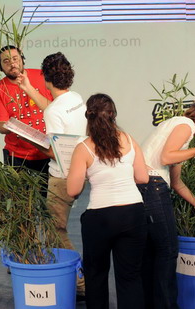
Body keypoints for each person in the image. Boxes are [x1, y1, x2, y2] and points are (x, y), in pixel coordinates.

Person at [67, 93, 149, 309]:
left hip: (100, 218)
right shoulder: (129, 139)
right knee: (130, 277)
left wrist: (86, 174)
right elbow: (142, 177)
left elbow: (73, 189)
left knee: (96, 277)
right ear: (113, 115)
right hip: (133, 213)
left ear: (89, 116)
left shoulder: (83, 147)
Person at [138, 96, 195, 308]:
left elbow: (176, 182)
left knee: (151, 252)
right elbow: (166, 158)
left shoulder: (175, 125)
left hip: (145, 187)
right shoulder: (186, 125)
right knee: (167, 251)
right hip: (153, 187)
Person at [39, 51, 87, 297]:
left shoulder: (52, 112)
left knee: (54, 231)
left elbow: (54, 151)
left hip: (60, 176)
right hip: (79, 171)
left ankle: (80, 282)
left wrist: (36, 143)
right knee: (57, 229)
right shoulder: (76, 98)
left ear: (46, 79)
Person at [0, 45, 53, 174]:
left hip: (49, 151)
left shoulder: (42, 76)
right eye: (6, 61)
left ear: (22, 60)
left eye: (15, 59)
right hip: (17, 156)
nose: (12, 64)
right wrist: (16, 127)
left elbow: (56, 108)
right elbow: (1, 126)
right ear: (0, 67)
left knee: (48, 193)